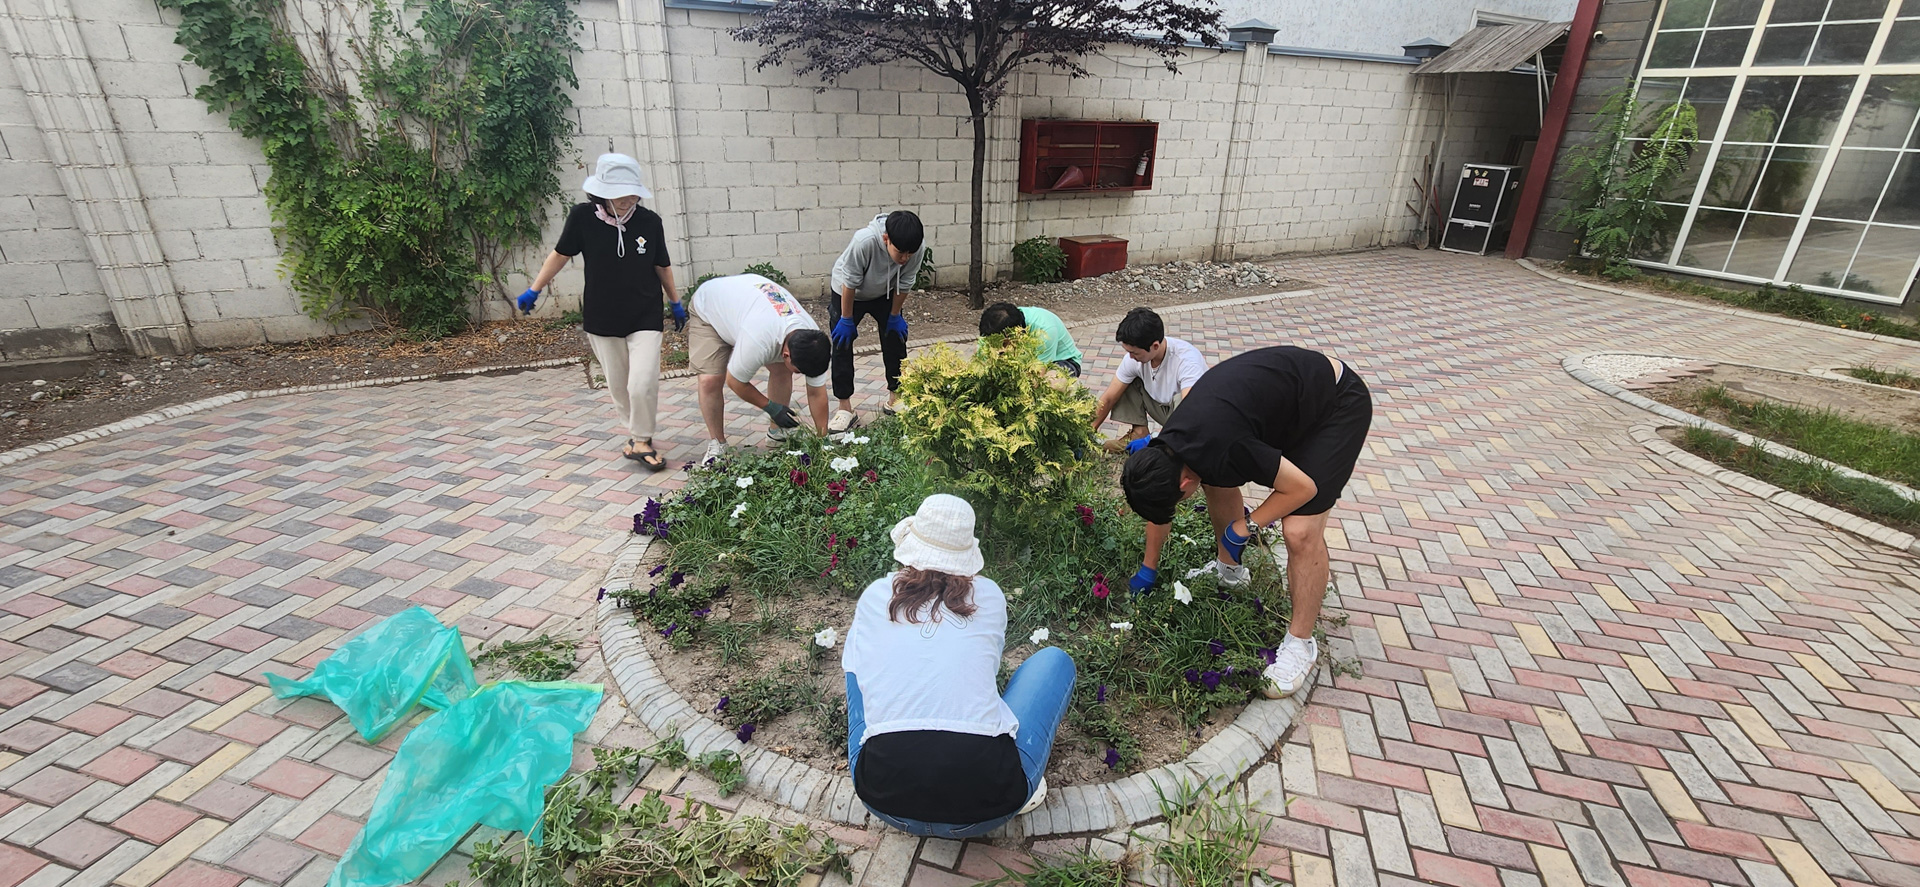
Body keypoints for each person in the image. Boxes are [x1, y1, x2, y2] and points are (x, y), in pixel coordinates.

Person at [1118, 346, 1373, 700]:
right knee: (1215, 477)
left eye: (1178, 500)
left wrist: (1247, 526)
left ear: (1183, 484)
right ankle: (1230, 573)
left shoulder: (1226, 444)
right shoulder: (1169, 446)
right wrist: (1149, 568)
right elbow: (1159, 505)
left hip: (1336, 405)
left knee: (1299, 531)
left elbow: (1302, 488)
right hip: (1292, 403)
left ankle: (1300, 644)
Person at [842, 494, 1075, 838]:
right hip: (989, 807)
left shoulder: (877, 594)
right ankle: (1021, 773)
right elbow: (989, 664)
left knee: (856, 655)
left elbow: (860, 665)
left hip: (883, 800)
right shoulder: (989, 595)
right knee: (1054, 660)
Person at [518, 153, 682, 470]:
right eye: (619, 193)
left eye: (632, 193)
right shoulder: (582, 217)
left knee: (642, 382)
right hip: (602, 316)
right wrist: (534, 289)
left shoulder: (650, 222)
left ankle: (641, 439)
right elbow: (560, 255)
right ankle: (636, 437)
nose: (627, 199)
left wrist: (675, 302)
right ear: (602, 192)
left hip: (645, 313)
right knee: (619, 385)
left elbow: (662, 265)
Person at [685, 273, 834, 462]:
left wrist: (823, 439)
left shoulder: (813, 341)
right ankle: (718, 444)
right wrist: (771, 407)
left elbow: (816, 393)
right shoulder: (759, 338)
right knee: (710, 380)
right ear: (786, 354)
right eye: (799, 371)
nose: (801, 375)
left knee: (782, 370)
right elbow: (735, 381)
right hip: (709, 308)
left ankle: (777, 433)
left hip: (743, 307)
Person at [826, 211, 927, 432]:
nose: (905, 259)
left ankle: (896, 398)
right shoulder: (864, 242)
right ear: (885, 239)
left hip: (885, 292)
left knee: (896, 339)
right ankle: (844, 409)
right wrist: (846, 319)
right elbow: (849, 281)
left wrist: (894, 316)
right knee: (842, 344)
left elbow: (906, 281)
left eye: (909, 254)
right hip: (848, 292)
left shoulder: (916, 247)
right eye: (900, 252)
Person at [1092, 308, 1208, 453]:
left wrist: (1153, 439)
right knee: (1126, 381)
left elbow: (1191, 414)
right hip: (1164, 409)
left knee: (1184, 401)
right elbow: (1108, 398)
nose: (1131, 357)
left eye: (1134, 353)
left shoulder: (1187, 361)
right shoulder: (1134, 359)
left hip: (1195, 422)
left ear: (1155, 346)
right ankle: (1139, 433)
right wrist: (1086, 433)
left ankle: (1166, 445)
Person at [978, 302, 1084, 377]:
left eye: (1003, 343)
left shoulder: (1044, 331)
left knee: (1051, 380)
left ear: (1014, 333)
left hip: (1062, 360)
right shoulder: (994, 327)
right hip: (1025, 361)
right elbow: (980, 358)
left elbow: (1038, 376)